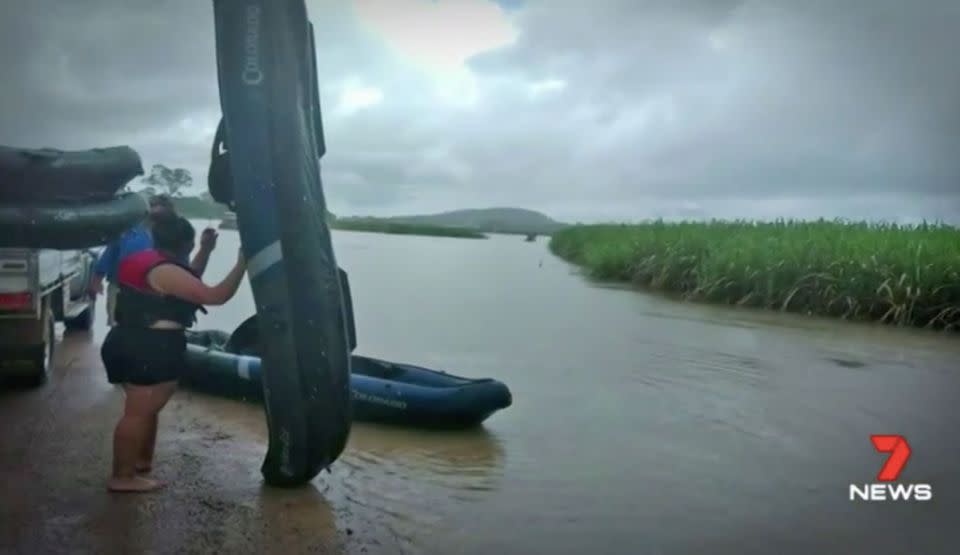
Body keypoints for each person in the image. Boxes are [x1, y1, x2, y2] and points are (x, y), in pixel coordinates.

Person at [100, 212, 246, 493]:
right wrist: (242, 264)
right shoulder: (165, 271)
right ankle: (122, 477)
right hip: (149, 347)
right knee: (138, 413)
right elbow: (213, 296)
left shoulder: (149, 262)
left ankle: (140, 464)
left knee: (146, 410)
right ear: (185, 244)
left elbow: (185, 279)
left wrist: (206, 249)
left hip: (131, 340)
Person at [89, 194, 219, 326]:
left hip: (162, 295)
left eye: (161, 209)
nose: (155, 212)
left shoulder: (176, 237)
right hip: (122, 290)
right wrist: (96, 280)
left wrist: (205, 250)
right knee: (119, 325)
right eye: (152, 207)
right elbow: (109, 253)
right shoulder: (128, 229)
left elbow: (190, 273)